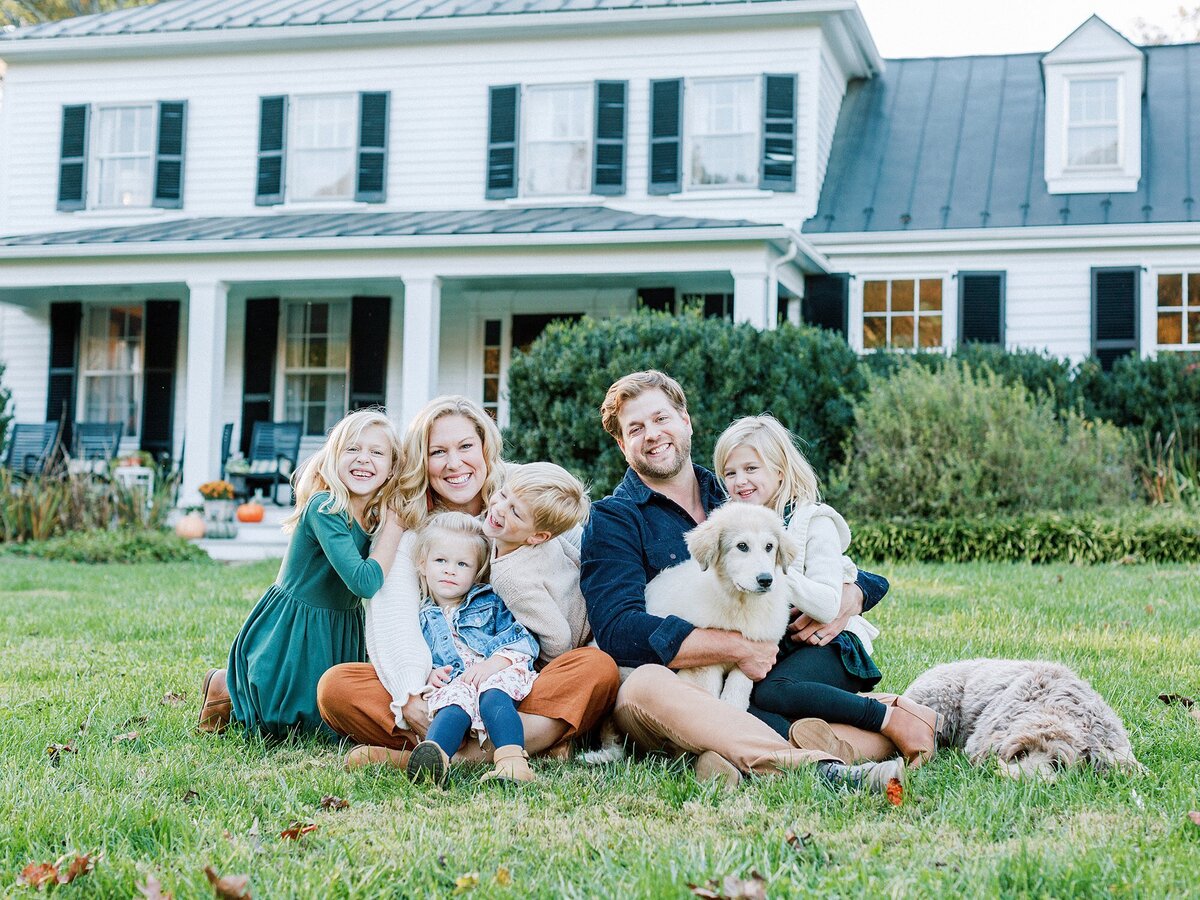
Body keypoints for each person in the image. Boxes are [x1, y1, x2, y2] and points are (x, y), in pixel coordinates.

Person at [581, 370, 904, 791]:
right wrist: (738, 648)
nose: (653, 435)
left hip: (748, 680)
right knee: (646, 685)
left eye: (661, 419)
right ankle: (821, 768)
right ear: (622, 444)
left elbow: (822, 558)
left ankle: (724, 757)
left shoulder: (735, 490)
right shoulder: (614, 518)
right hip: (670, 690)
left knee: (771, 691)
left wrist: (850, 594)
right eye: (636, 428)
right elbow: (618, 630)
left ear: (686, 420)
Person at [317, 396, 618, 769]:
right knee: (337, 686)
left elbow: (582, 554)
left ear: (485, 447)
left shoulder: (518, 496)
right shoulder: (410, 523)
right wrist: (411, 692)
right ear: (421, 461)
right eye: (438, 451)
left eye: (465, 447)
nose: (454, 463)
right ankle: (534, 741)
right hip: (444, 685)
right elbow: (393, 615)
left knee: (596, 667)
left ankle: (451, 757)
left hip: (520, 680)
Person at [714, 415, 941, 766]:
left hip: (832, 646)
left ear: (780, 470)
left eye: (751, 468)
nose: (740, 481)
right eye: (730, 473)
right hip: (783, 648)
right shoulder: (734, 526)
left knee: (774, 690)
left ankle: (891, 719)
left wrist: (769, 569)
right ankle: (823, 754)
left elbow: (826, 602)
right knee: (748, 701)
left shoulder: (813, 521)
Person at [197, 409, 405, 739]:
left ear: (392, 467)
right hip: (295, 630)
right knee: (287, 724)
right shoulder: (325, 507)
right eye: (352, 449)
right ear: (334, 457)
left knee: (335, 722)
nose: (363, 459)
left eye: (376, 452)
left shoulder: (375, 516)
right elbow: (364, 582)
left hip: (339, 627)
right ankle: (224, 686)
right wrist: (396, 526)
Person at [407, 512, 540, 785]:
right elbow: (416, 656)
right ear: (422, 564)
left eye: (462, 564)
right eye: (440, 560)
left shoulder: (488, 600)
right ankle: (434, 761)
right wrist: (429, 673)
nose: (449, 570)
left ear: (477, 569)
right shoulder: (420, 616)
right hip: (459, 683)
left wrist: (493, 665)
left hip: (496, 671)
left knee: (493, 696)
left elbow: (523, 640)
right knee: (452, 706)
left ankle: (512, 764)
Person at [485, 462, 592, 664]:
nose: (499, 509)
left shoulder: (510, 578)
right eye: (503, 494)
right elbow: (578, 560)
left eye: (515, 512)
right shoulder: (538, 540)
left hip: (584, 638)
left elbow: (559, 639)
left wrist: (542, 668)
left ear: (538, 536)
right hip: (591, 604)